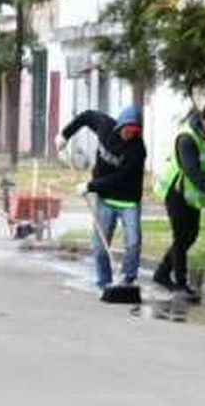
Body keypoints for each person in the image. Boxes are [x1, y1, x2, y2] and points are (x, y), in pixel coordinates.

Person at [153, 102, 205, 302]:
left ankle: (162, 273)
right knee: (181, 236)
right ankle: (181, 286)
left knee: (191, 235)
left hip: (193, 193)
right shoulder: (186, 138)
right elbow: (192, 171)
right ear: (202, 119)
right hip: (175, 189)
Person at [57, 104, 146, 290]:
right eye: (128, 130)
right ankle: (104, 283)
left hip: (128, 201)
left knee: (134, 241)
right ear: (120, 126)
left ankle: (128, 280)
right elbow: (86, 116)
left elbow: (121, 178)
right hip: (105, 199)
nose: (131, 134)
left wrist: (90, 186)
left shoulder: (137, 150)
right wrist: (65, 135)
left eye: (135, 131)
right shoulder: (105, 126)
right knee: (100, 245)